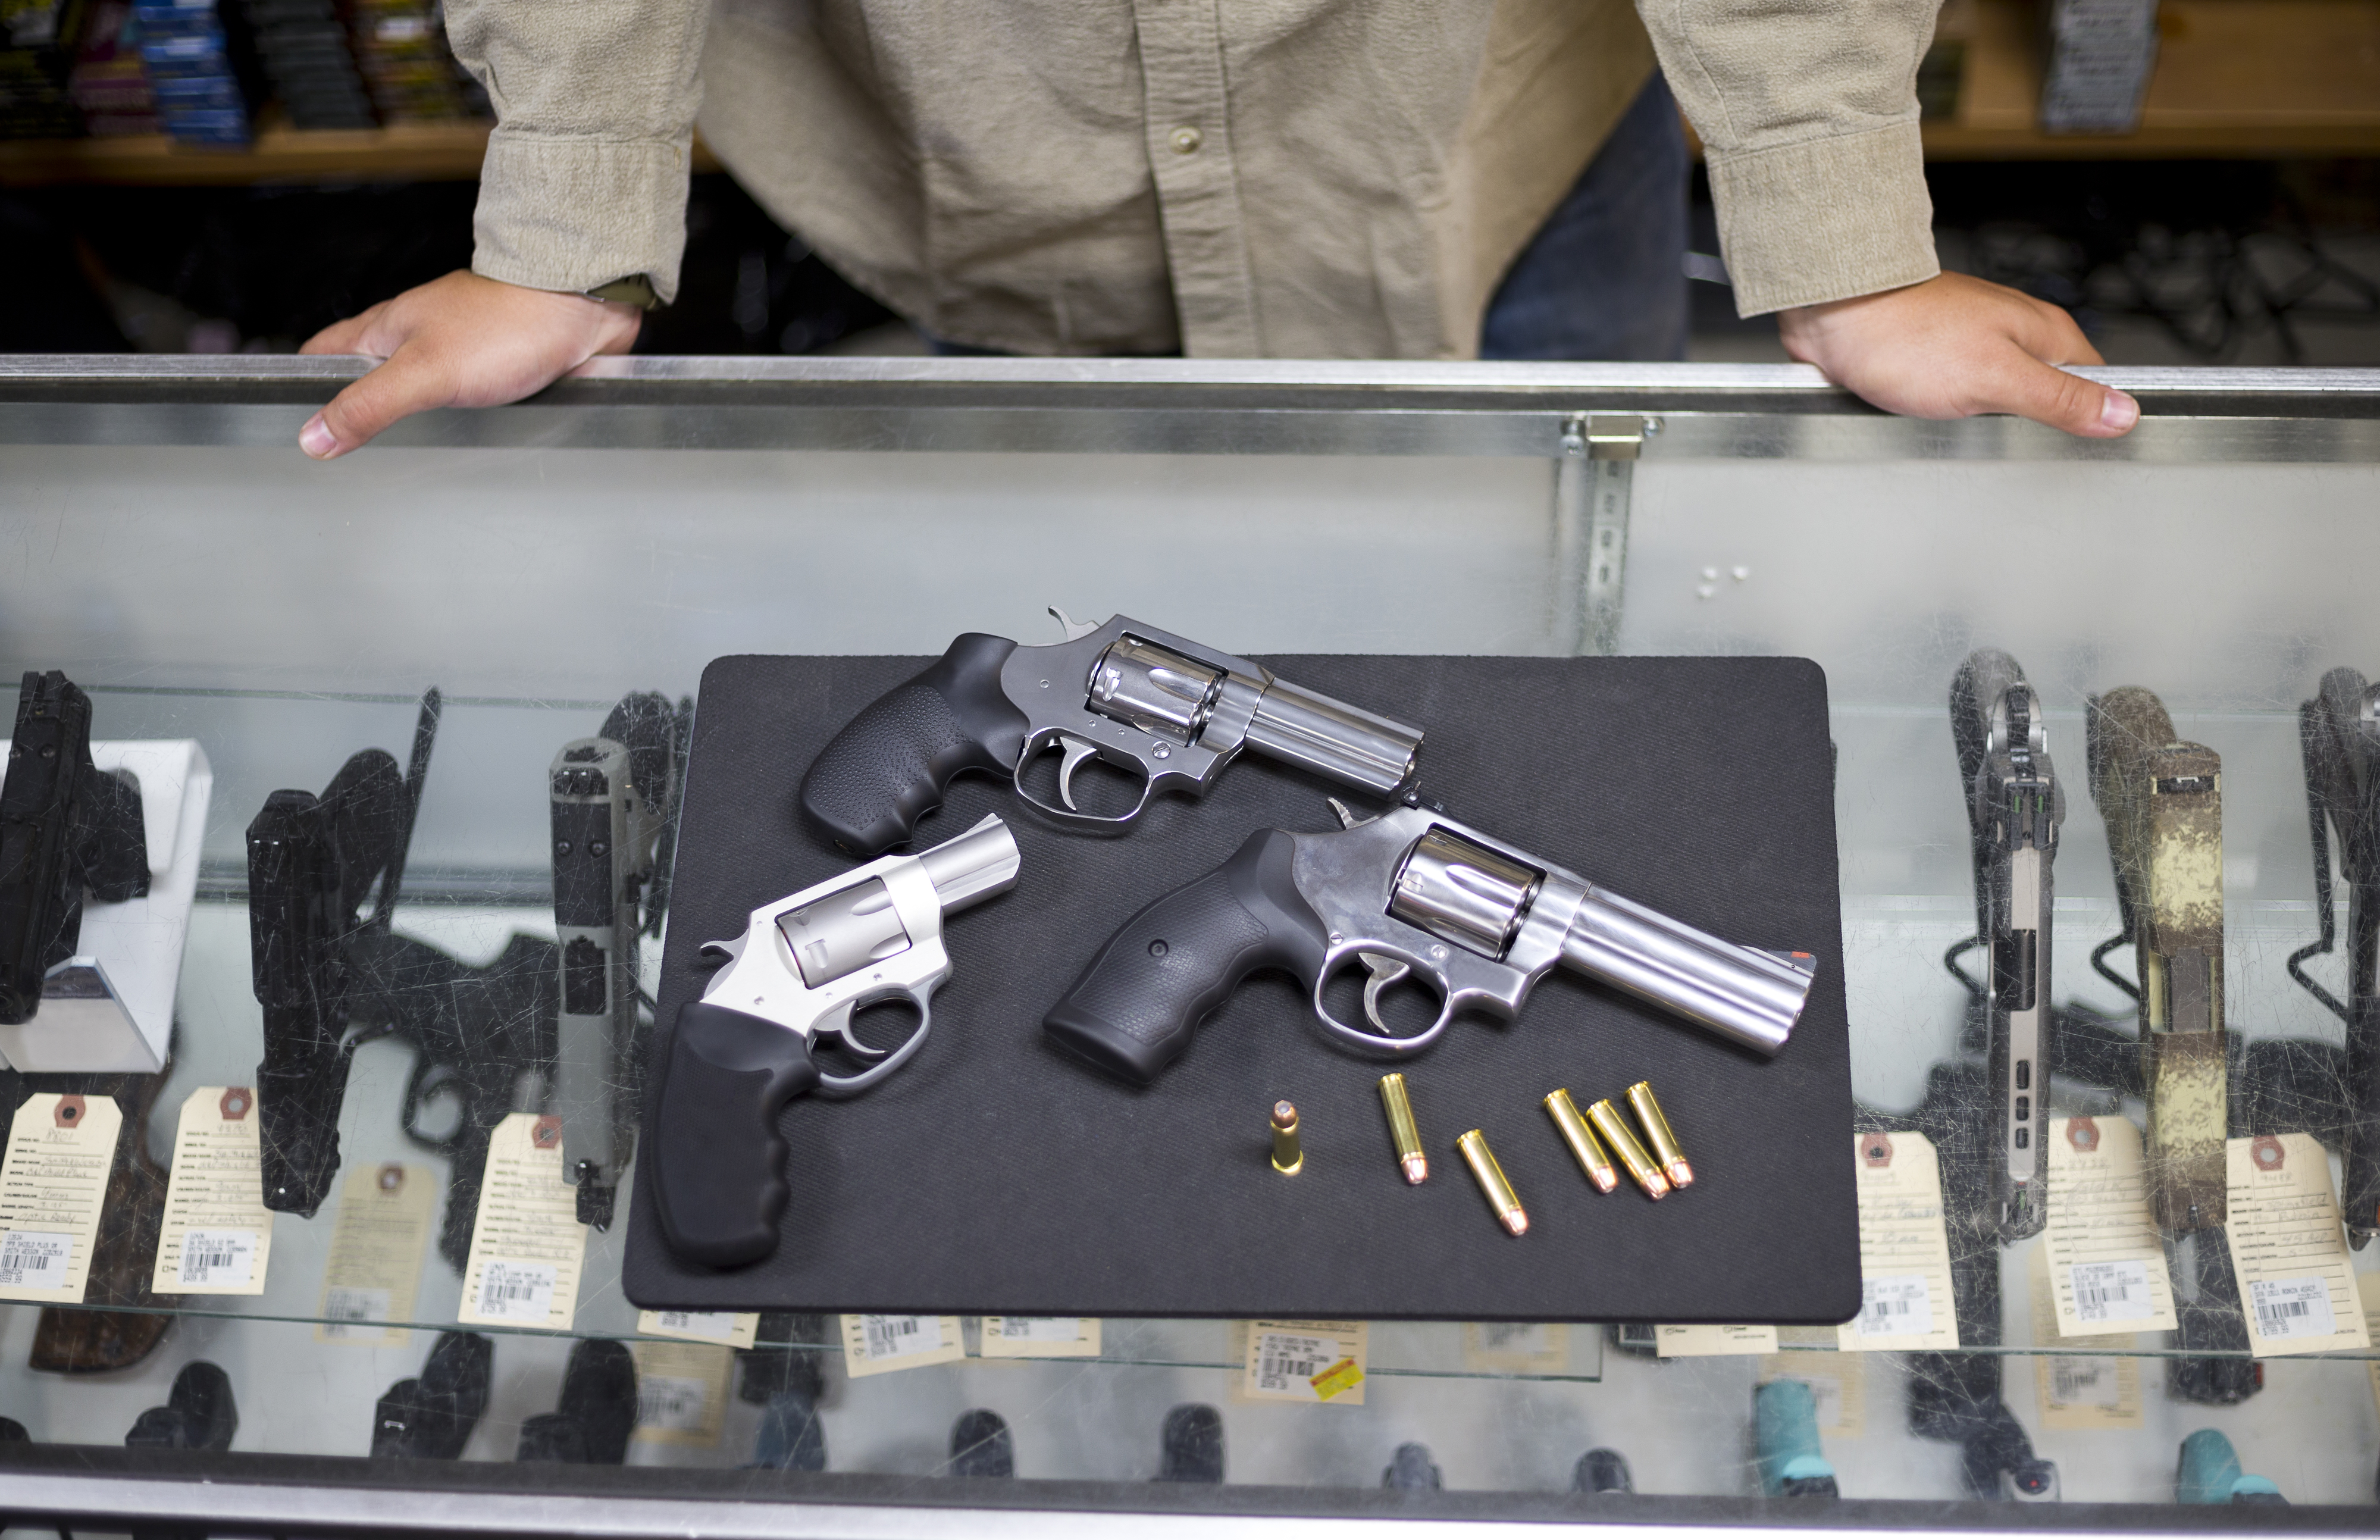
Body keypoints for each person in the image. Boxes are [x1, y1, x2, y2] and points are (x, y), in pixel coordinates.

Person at [296, 0, 2139, 460]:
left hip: (1482, 125)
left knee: (1565, 636)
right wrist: (562, 214)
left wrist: (1839, 224)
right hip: (993, 171)